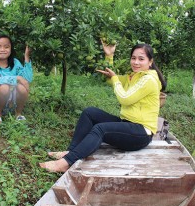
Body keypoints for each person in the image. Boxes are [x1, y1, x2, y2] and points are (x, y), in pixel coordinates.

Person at [40, 42, 167, 172]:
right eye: (133, 58)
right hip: (128, 124)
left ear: (150, 62)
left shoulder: (148, 80)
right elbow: (112, 79)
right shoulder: (134, 76)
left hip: (140, 134)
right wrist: (109, 56)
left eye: (141, 59)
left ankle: (65, 163)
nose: (136, 62)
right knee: (90, 113)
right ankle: (71, 151)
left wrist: (115, 79)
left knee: (100, 129)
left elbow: (125, 99)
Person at [0, 33, 33, 124]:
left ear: (11, 49)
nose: (2, 50)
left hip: (12, 103)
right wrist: (17, 78)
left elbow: (27, 79)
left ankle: (18, 113)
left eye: (6, 47)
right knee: (4, 87)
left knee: (22, 87)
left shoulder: (15, 63)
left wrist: (26, 57)